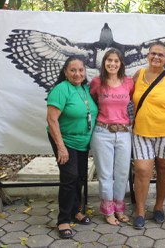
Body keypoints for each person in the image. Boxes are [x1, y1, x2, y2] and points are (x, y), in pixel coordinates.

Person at [132, 41, 165, 230]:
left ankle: (159, 207)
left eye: (161, 55)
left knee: (164, 169)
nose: (156, 57)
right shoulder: (139, 75)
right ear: (147, 55)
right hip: (141, 131)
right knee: (143, 170)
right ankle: (140, 211)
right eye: (153, 53)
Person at [46, 55, 98, 239]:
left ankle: (76, 210)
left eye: (81, 70)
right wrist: (61, 147)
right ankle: (63, 220)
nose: (77, 74)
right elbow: (51, 120)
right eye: (73, 70)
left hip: (82, 141)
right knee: (70, 177)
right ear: (65, 72)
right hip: (65, 140)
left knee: (81, 176)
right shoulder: (61, 90)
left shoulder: (85, 89)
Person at [89, 49, 134, 225]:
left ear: (121, 63)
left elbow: (133, 102)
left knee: (122, 173)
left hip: (124, 133)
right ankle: (108, 211)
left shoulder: (129, 82)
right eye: (109, 60)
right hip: (102, 132)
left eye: (116, 61)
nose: (112, 64)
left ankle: (119, 209)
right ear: (104, 62)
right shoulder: (97, 82)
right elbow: (92, 101)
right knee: (105, 174)